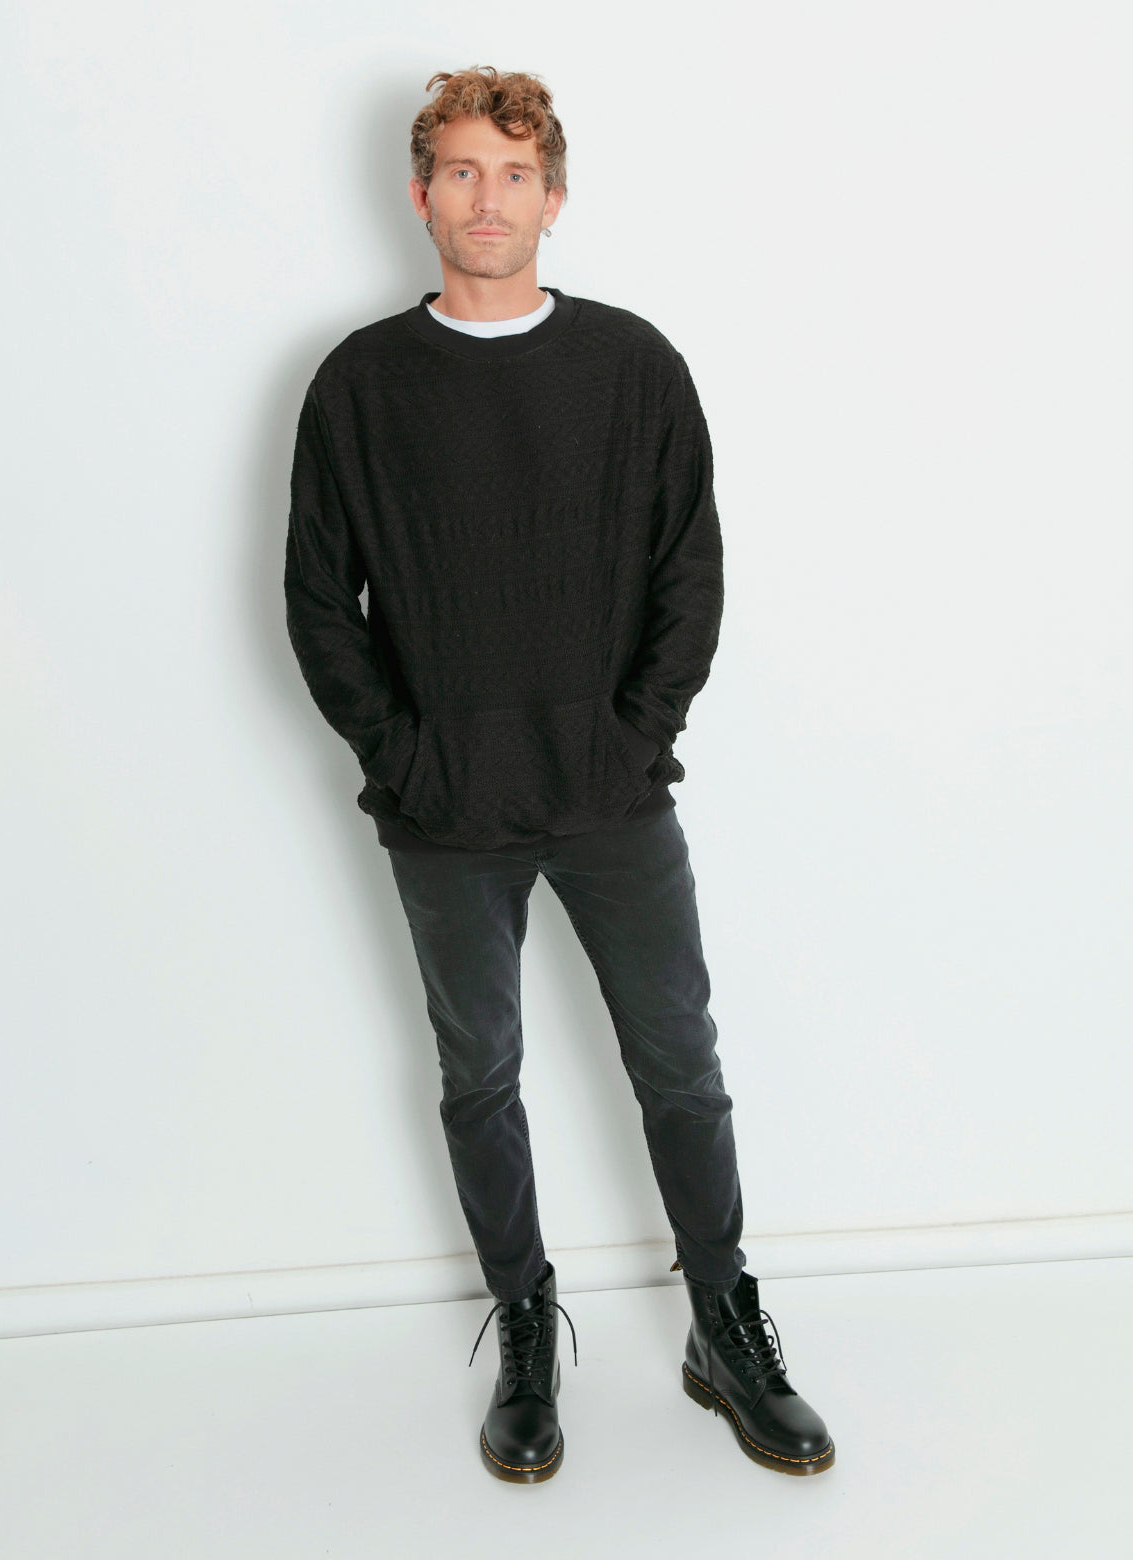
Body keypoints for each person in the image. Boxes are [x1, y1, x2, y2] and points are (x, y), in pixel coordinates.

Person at [284, 64, 834, 1482]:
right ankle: (526, 1328)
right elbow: (316, 602)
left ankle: (723, 1323)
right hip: (444, 807)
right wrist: (403, 752)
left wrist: (635, 736)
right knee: (480, 1074)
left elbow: (689, 572)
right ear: (422, 196)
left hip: (610, 792)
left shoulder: (633, 367)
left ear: (556, 196)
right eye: (464, 172)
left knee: (681, 1066)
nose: (490, 198)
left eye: (515, 173)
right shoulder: (359, 385)